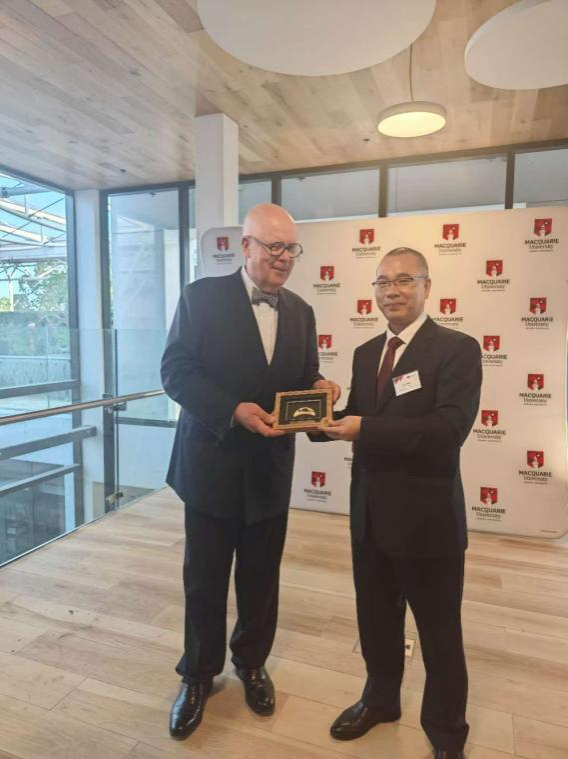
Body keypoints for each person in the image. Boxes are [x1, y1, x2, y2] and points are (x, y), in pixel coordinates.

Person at [161, 203, 339, 741]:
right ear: (245, 246)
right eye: (273, 246)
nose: (284, 257)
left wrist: (321, 390)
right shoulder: (200, 297)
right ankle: (198, 675)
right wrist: (231, 410)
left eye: (291, 249)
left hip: (270, 470)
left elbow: (304, 376)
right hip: (210, 466)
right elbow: (174, 372)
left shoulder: (302, 311)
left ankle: (252, 663)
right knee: (204, 579)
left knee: (262, 579)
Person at [318, 247, 482, 759]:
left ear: (427, 287)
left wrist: (363, 428)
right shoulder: (367, 352)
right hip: (369, 516)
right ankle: (381, 700)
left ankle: (447, 733)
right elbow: (358, 415)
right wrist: (314, 416)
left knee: (439, 633)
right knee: (376, 621)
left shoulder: (456, 349)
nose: (392, 290)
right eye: (383, 282)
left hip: (427, 523)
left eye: (405, 280)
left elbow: (447, 431)